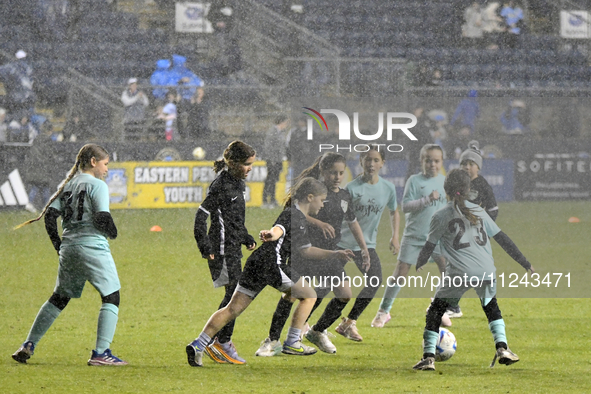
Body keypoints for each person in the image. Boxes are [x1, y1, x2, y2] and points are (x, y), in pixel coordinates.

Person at [186, 177, 354, 366]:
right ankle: (292, 342)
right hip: (271, 262)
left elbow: (306, 250)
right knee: (309, 295)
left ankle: (198, 344)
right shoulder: (292, 214)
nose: (322, 205)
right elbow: (278, 229)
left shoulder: (298, 217)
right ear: (310, 197)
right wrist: (270, 233)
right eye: (321, 200)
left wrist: (334, 254)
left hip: (256, 262)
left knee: (233, 308)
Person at [12, 144, 127, 366]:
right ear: (93, 162)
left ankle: (28, 344)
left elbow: (49, 217)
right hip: (92, 247)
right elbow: (103, 217)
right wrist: (113, 233)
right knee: (111, 296)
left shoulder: (68, 184)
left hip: (70, 248)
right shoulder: (98, 186)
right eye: (105, 164)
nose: (106, 170)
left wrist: (59, 244)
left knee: (59, 298)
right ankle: (101, 353)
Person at [412, 169, 534, 371]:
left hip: (460, 272)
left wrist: (420, 261)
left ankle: (428, 358)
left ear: (446, 190)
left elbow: (429, 245)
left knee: (435, 311)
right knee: (491, 307)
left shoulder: (441, 215)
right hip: (486, 271)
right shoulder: (479, 211)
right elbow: (503, 239)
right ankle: (502, 348)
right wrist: (525, 262)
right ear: (469, 189)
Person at [255, 153, 370, 356]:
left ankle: (316, 331)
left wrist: (364, 248)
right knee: (292, 295)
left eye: (341, 173)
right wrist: (319, 223)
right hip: (306, 251)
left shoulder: (344, 196)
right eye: (333, 172)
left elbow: (352, 222)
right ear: (323, 171)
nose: (337, 176)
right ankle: (272, 340)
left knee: (344, 294)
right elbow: (296, 212)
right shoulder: (313, 190)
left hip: (330, 253)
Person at [192, 140, 257, 365]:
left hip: (231, 248)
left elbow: (233, 219)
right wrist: (205, 246)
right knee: (235, 298)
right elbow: (201, 216)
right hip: (221, 250)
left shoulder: (238, 183)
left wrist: (245, 236)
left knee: (234, 297)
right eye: (247, 164)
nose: (250, 169)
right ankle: (219, 342)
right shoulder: (221, 185)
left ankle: (214, 342)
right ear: (233, 162)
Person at [371, 144, 450, 328]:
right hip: (414, 237)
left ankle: (438, 308)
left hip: (437, 238)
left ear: (442, 162)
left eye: (436, 161)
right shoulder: (414, 181)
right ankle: (383, 311)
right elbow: (405, 206)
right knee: (400, 273)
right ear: (421, 161)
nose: (432, 164)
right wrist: (427, 199)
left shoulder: (445, 182)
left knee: (447, 272)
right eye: (428, 160)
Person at [332, 146, 400, 342]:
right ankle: (304, 324)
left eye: (376, 160)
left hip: (366, 246)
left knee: (374, 280)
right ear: (360, 161)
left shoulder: (388, 188)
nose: (371, 164)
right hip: (342, 244)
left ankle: (349, 323)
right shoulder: (351, 189)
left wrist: (395, 236)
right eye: (367, 159)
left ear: (382, 163)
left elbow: (394, 211)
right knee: (327, 285)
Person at [460, 141, 499, 221]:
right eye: (464, 164)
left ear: (478, 167)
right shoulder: (457, 183)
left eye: (471, 164)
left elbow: (493, 209)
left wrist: (481, 223)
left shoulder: (482, 185)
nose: (467, 167)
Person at [262, 114, 290, 208]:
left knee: (273, 180)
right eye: (285, 123)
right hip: (273, 160)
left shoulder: (280, 133)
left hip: (278, 160)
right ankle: (266, 200)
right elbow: (268, 147)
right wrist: (272, 159)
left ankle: (272, 200)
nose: (286, 125)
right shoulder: (272, 132)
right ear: (281, 122)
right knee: (270, 180)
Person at [0, 50, 35, 120]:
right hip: (29, 99)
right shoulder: (29, 68)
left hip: (16, 99)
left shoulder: (11, 67)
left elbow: (2, 72)